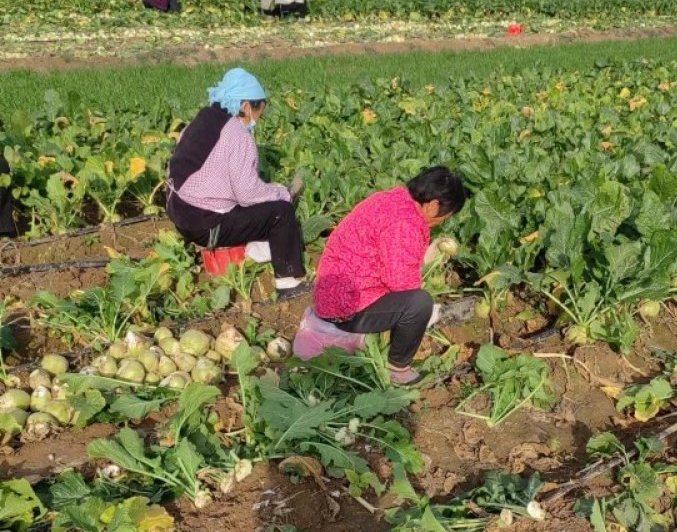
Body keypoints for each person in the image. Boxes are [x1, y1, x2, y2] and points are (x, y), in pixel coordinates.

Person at [293, 167, 466, 385]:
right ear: (433, 206)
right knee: (419, 303)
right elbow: (402, 284)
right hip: (347, 308)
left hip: (332, 295)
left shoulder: (391, 199)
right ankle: (398, 370)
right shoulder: (405, 223)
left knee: (412, 303)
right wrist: (427, 314)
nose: (443, 221)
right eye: (446, 216)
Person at [166, 67, 309, 300]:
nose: (257, 120)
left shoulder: (203, 118)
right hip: (206, 225)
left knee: (254, 205)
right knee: (280, 213)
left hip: (179, 212)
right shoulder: (238, 134)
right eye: (258, 112)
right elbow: (248, 194)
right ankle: (289, 282)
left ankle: (255, 248)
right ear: (245, 107)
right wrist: (283, 194)